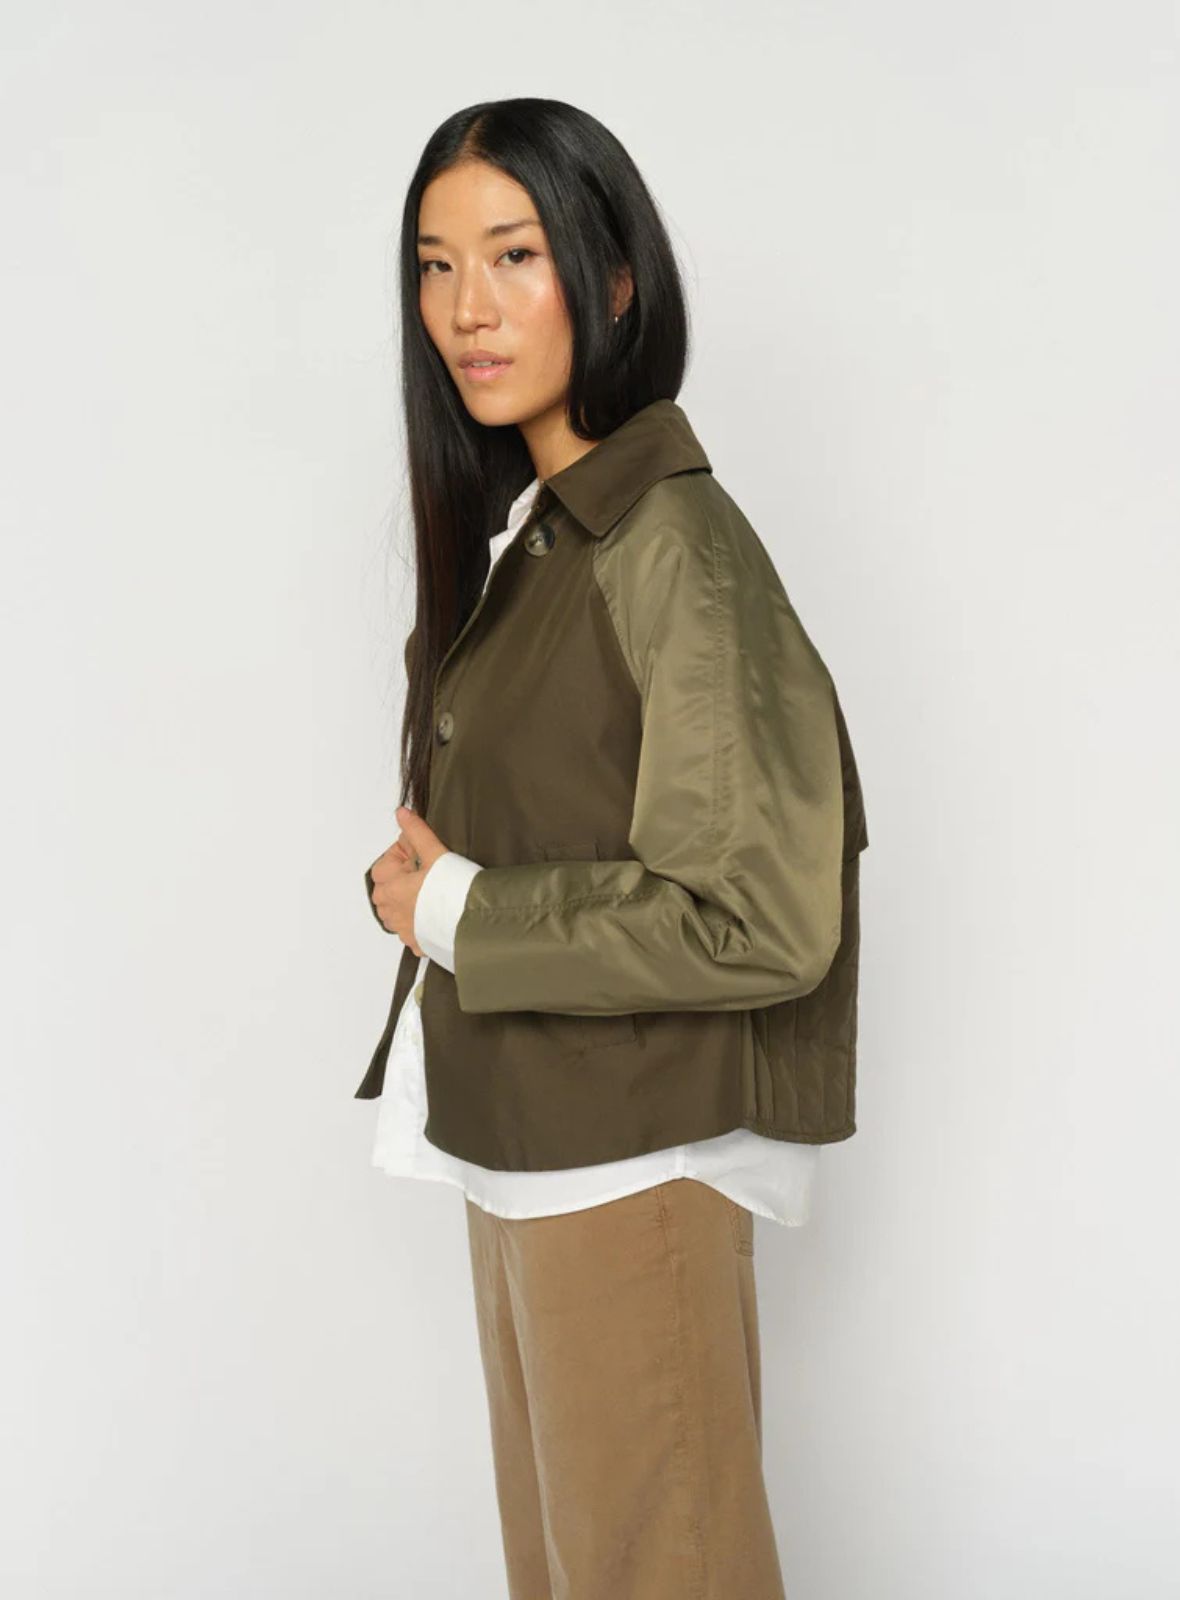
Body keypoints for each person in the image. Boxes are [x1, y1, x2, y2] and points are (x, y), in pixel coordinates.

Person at [361, 97, 869, 1600]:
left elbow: (762, 917)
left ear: (616, 278)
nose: (468, 308)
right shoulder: (545, 535)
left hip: (631, 1166)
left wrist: (454, 910)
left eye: (513, 254)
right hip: (535, 1145)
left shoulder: (668, 542)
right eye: (437, 265)